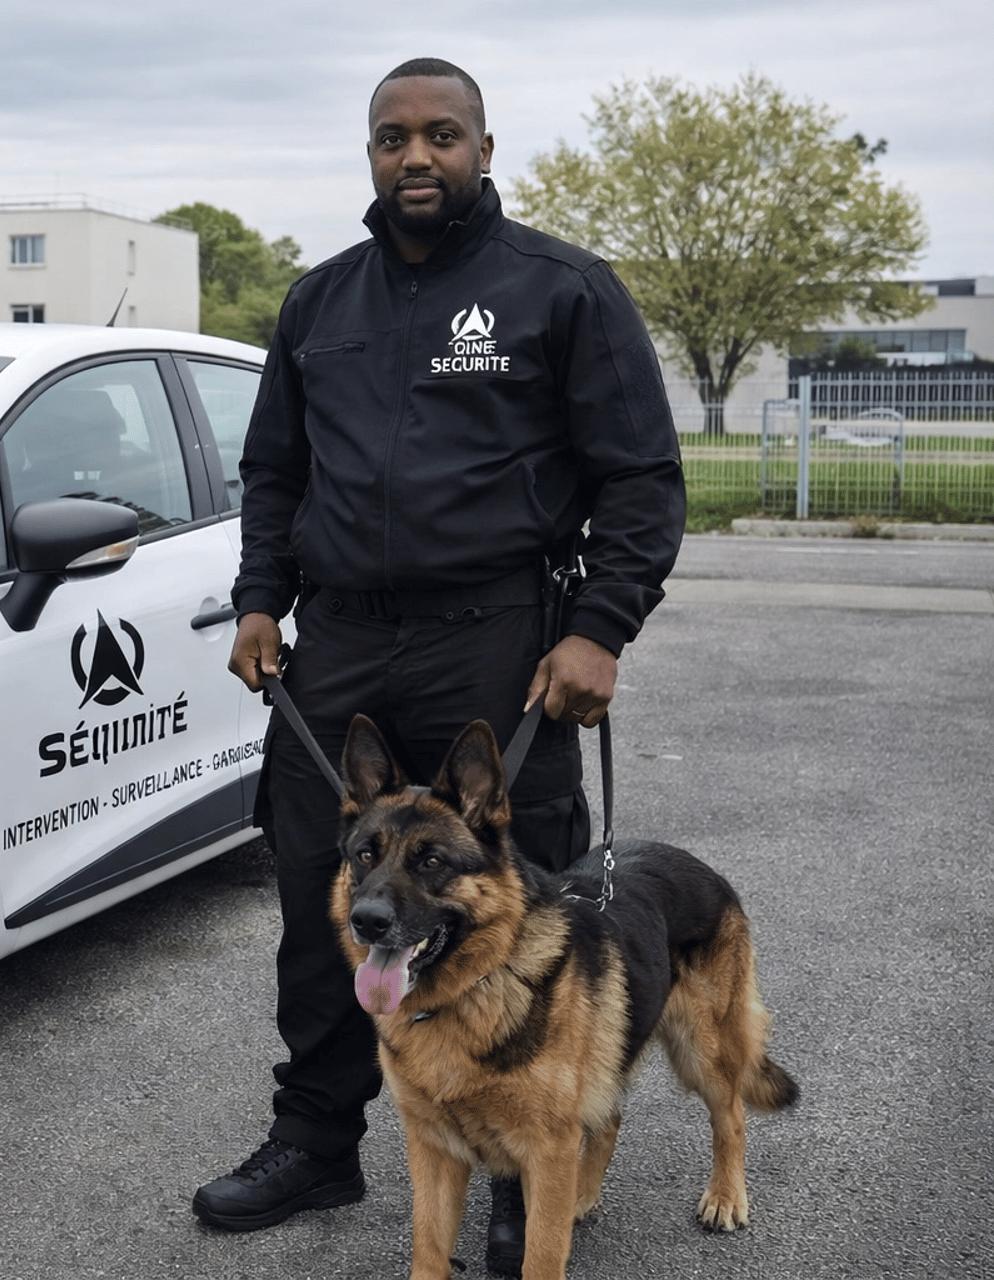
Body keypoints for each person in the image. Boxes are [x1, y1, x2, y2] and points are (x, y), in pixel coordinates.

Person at [190, 57, 685, 1277]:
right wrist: (261, 599)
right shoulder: (317, 305)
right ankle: (313, 1139)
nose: (417, 157)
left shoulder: (560, 290)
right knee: (329, 896)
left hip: (496, 636)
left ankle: (526, 1163)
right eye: (393, 138)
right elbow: (274, 476)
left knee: (532, 907)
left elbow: (640, 477)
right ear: (370, 153)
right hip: (342, 642)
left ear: (483, 146)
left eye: (442, 136)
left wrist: (600, 626)